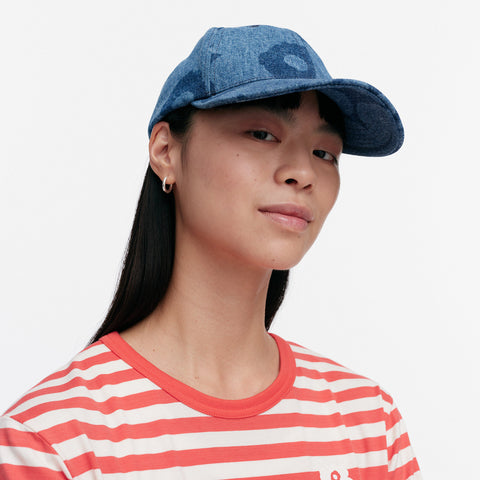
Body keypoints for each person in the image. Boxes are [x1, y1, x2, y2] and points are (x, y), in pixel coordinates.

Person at [0, 25, 421, 479]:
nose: (303, 172)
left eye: (325, 153)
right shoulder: (50, 441)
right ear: (166, 151)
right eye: (261, 134)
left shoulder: (369, 423)